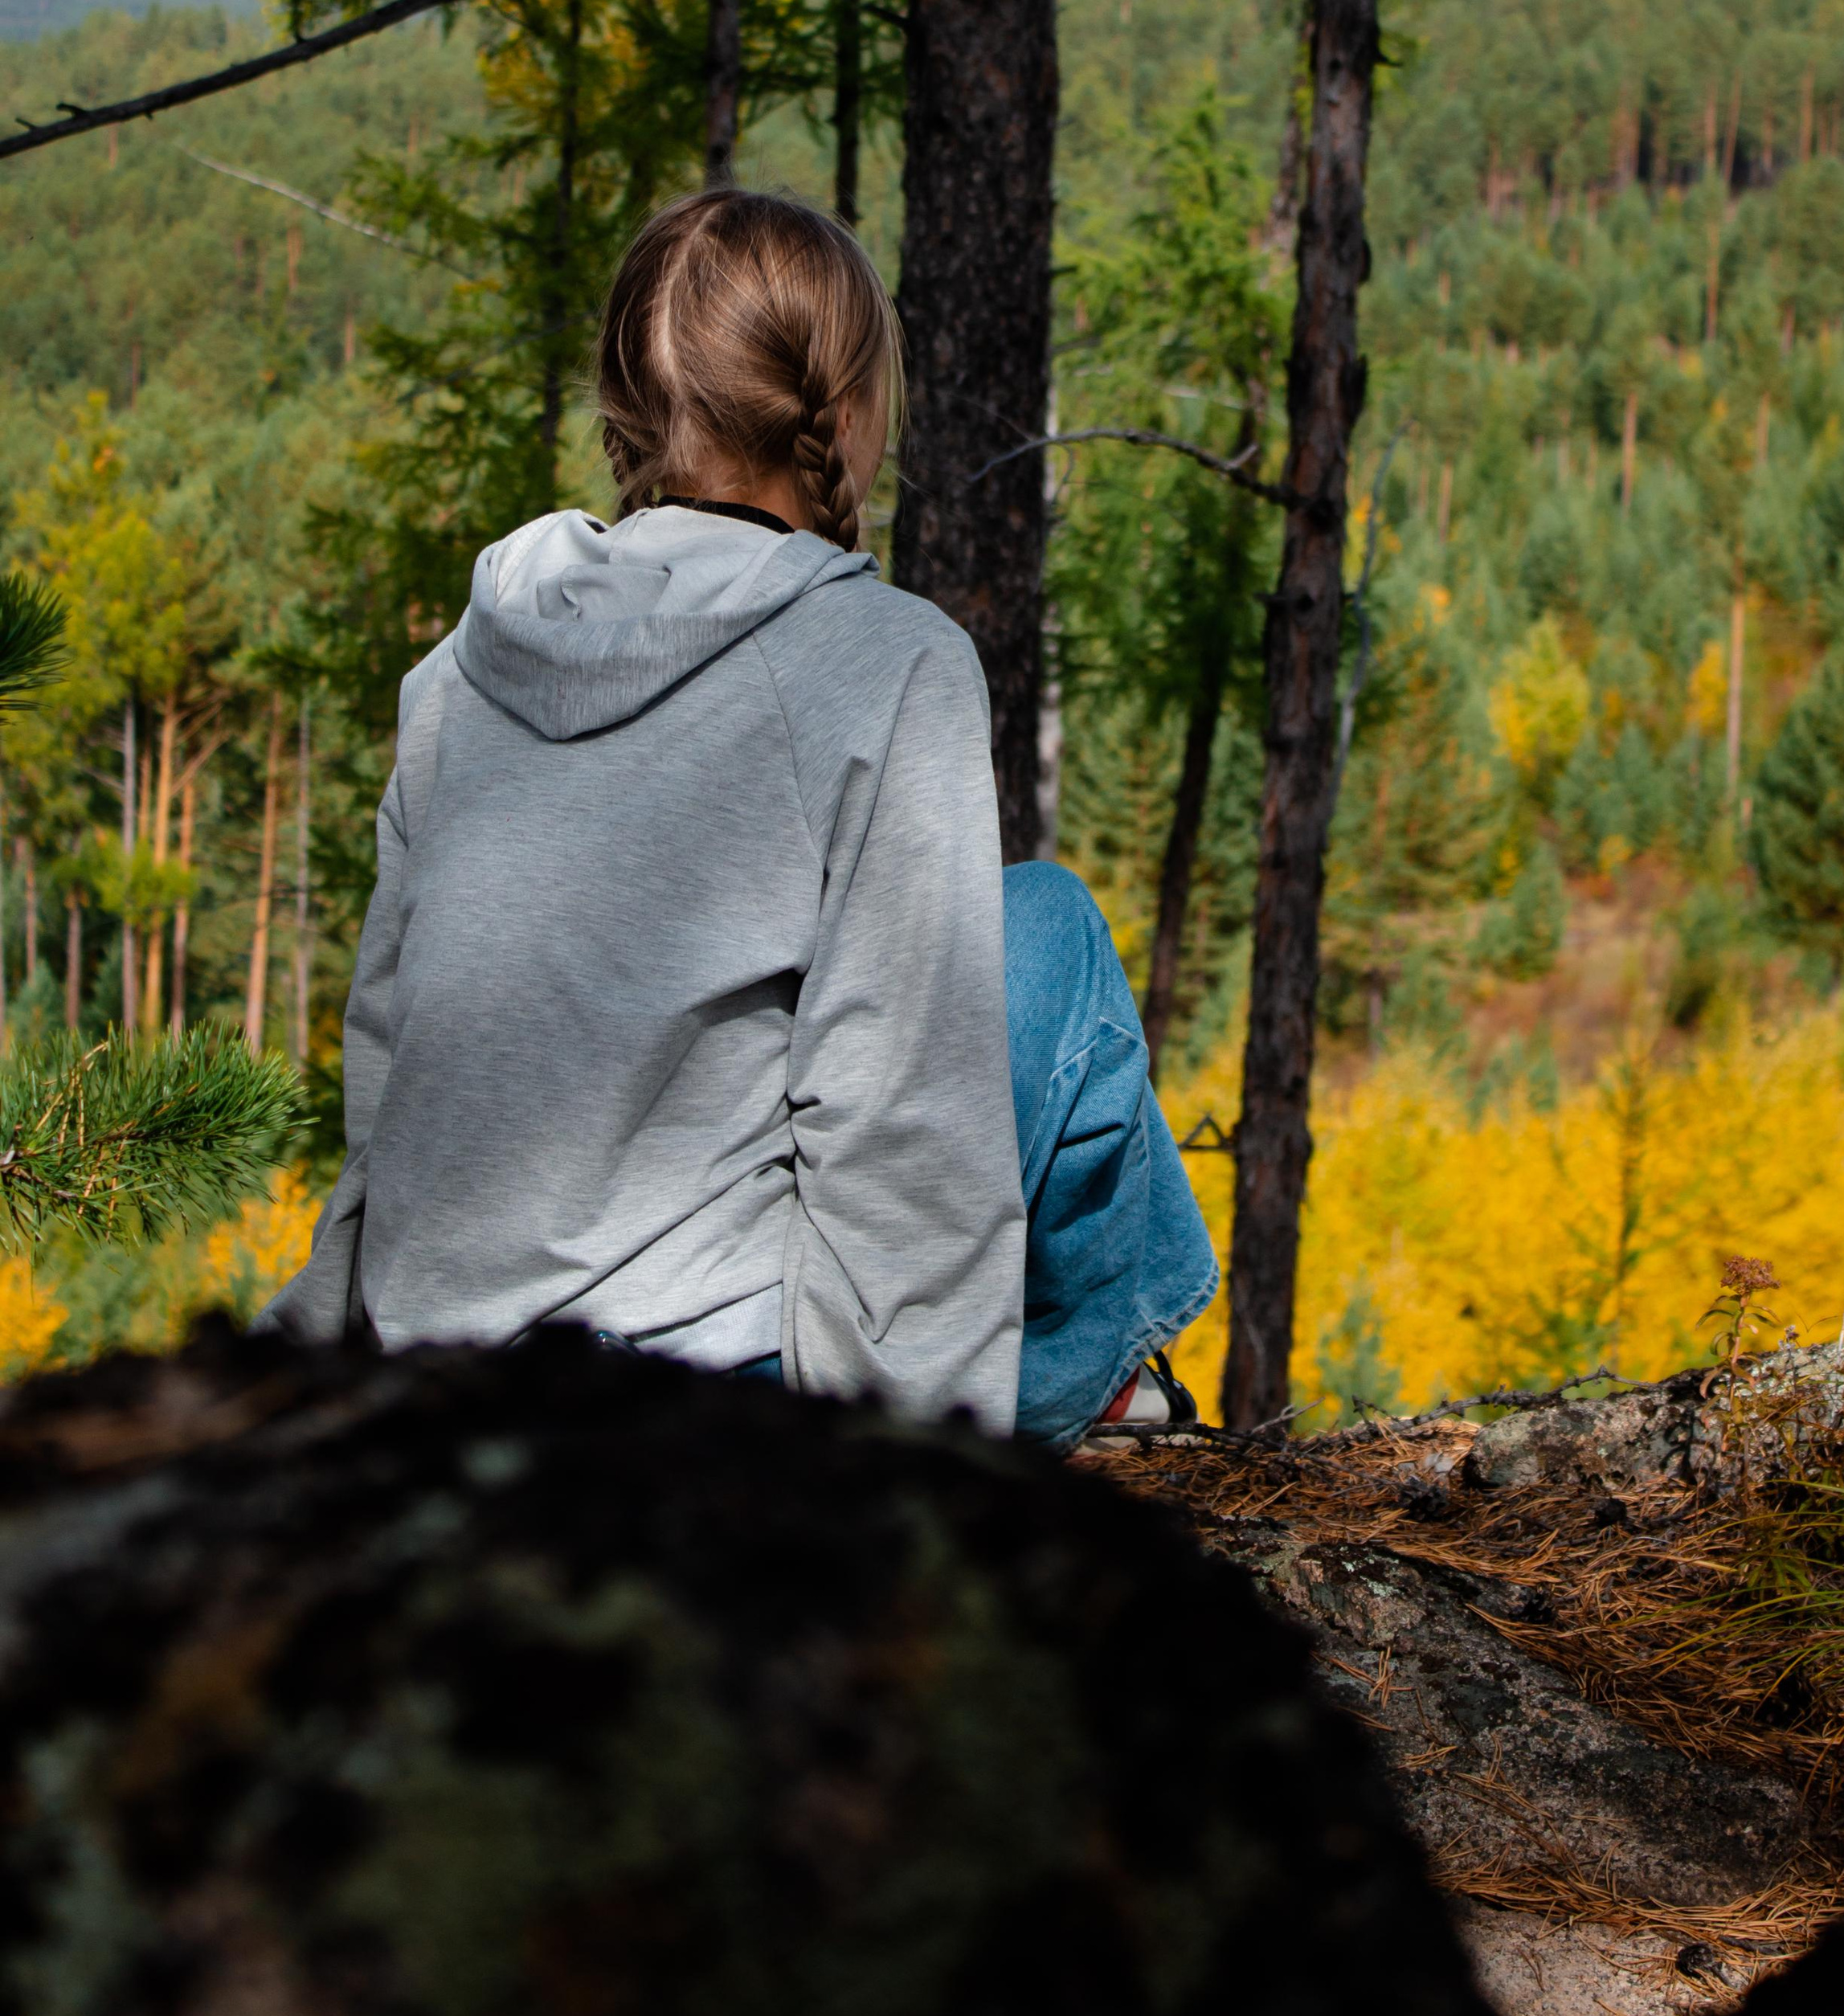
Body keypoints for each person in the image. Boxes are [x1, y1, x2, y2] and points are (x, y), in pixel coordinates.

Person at [260, 186, 1219, 1443]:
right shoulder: (886, 660)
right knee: (1050, 931)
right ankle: (1088, 1385)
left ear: (622, 411)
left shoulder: (462, 666)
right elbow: (897, 1117)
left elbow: (392, 1061)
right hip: (699, 1397)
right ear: (854, 411)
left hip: (445, 1364)